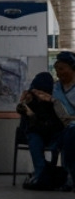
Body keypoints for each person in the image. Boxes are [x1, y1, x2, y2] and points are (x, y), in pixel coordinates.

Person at [34, 51, 75, 187]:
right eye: (56, 70)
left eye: (62, 69)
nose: (59, 73)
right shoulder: (55, 88)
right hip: (61, 127)